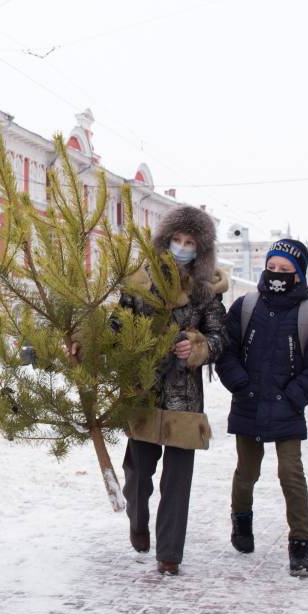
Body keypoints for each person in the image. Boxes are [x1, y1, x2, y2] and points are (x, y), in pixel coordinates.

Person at [118, 206, 228, 577]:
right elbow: (117, 326)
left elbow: (219, 337)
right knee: (137, 471)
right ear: (164, 243)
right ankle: (137, 519)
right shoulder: (138, 282)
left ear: (200, 250)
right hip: (143, 388)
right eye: (177, 241)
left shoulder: (205, 290)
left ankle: (169, 554)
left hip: (185, 396)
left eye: (190, 243)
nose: (182, 248)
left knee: (177, 480)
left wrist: (198, 347)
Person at [216, 239, 308, 578]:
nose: (277, 274)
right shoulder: (246, 306)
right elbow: (226, 352)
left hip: (287, 408)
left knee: (291, 474)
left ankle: (300, 545)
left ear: (298, 275)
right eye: (273, 267)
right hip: (248, 403)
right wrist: (240, 384)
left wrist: (293, 397)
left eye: (286, 270)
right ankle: (241, 522)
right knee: (247, 472)